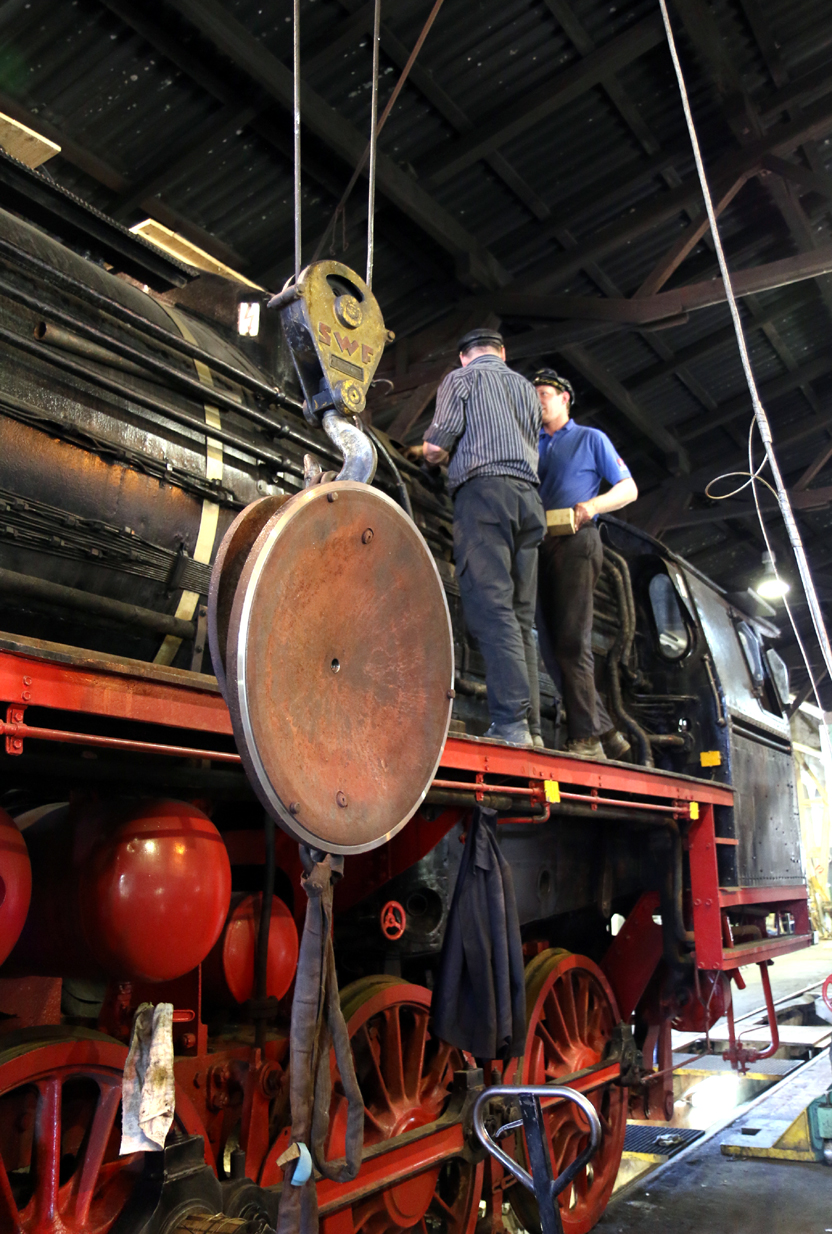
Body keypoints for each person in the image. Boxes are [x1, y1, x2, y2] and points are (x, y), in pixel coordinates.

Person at [421, 328, 545, 747]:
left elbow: (437, 447)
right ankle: (535, 729)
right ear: (503, 352)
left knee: (493, 610)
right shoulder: (527, 388)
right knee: (522, 620)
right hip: (529, 501)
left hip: (485, 497)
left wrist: (429, 455)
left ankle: (511, 723)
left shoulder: (462, 379)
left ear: (463, 357)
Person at [533, 369, 638, 759]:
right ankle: (606, 730)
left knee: (572, 639)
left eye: (545, 393)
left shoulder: (590, 439)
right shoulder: (531, 442)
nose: (538, 399)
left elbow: (629, 488)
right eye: (534, 394)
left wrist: (592, 506)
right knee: (548, 642)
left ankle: (587, 739)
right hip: (539, 544)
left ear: (565, 399)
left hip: (577, 540)